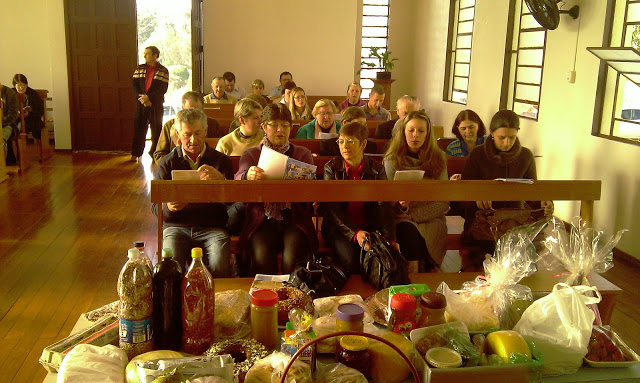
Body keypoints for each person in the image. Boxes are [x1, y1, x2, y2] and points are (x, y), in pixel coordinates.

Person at [460, 109, 554, 269]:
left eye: (512, 137)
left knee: (523, 250)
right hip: (483, 221)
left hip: (514, 220)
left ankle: (520, 286)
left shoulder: (525, 156)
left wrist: (545, 203)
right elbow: (464, 192)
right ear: (491, 133)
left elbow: (532, 192)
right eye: (501, 138)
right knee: (503, 248)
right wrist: (477, 195)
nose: (506, 143)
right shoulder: (477, 154)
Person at [235, 103, 317, 275]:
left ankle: (292, 298)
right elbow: (239, 180)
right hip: (262, 219)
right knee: (262, 258)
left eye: (285, 125)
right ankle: (266, 298)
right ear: (264, 126)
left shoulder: (302, 153)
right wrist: (247, 176)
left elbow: (312, 190)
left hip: (294, 219)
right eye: (274, 124)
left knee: (291, 259)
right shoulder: (251, 154)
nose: (280, 129)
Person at [152, 108, 233, 276]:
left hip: (212, 226)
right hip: (176, 226)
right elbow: (156, 208)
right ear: (178, 134)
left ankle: (217, 300)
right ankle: (177, 301)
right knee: (172, 268)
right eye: (187, 134)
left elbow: (233, 203)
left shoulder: (221, 160)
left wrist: (222, 183)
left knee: (219, 266)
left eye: (198, 133)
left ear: (205, 131)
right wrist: (169, 207)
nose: (193, 140)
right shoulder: (167, 163)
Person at [321, 121, 397, 274]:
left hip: (370, 225)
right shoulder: (331, 168)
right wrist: (355, 233)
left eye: (350, 141)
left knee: (382, 258)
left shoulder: (376, 169)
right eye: (341, 141)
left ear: (363, 144)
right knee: (350, 260)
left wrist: (390, 239)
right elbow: (332, 209)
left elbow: (384, 205)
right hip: (340, 228)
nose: (344, 146)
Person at [383, 110, 448, 269]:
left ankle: (424, 268)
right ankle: (416, 272)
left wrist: (415, 215)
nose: (415, 135)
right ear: (403, 132)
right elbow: (386, 200)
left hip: (431, 216)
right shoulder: (392, 159)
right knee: (407, 230)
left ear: (427, 133)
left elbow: (444, 201)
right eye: (411, 130)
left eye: (421, 131)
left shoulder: (438, 157)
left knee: (427, 230)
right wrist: (401, 206)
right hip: (401, 217)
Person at [153, 92, 223, 163]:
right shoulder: (170, 125)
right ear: (182, 109)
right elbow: (159, 155)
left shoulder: (213, 125)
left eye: (198, 111)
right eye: (189, 111)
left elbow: (220, 151)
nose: (193, 116)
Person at [131, 46, 169, 162]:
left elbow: (162, 89)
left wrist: (149, 98)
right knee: (139, 128)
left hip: (155, 104)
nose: (144, 56)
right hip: (141, 103)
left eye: (147, 54)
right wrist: (142, 98)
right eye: (144, 54)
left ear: (155, 56)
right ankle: (136, 153)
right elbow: (134, 85)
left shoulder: (163, 70)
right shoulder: (140, 68)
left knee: (156, 129)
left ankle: (155, 154)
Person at [12, 74, 45, 141]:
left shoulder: (33, 94)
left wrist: (29, 113)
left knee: (21, 126)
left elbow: (40, 110)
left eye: (23, 86)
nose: (21, 88)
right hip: (15, 119)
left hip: (31, 119)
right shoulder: (11, 93)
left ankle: (21, 148)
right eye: (19, 86)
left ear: (27, 85)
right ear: (14, 85)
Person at [1, 83, 19, 164]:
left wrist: (1, 124)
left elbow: (13, 115)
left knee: (0, 137)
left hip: (8, 125)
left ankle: (1, 167)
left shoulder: (9, 93)